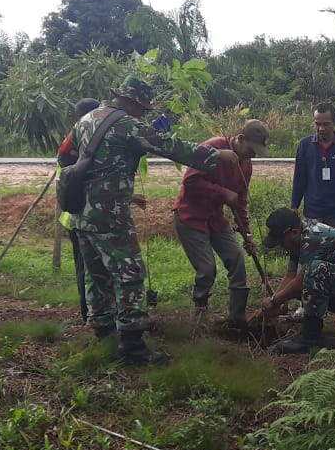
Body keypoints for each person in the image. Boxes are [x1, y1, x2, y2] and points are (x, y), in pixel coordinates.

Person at [70, 76, 237, 364]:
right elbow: (169, 146)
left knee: (96, 275)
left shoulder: (86, 119)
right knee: (130, 274)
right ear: (133, 101)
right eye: (143, 108)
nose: (142, 113)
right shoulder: (127, 125)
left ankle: (103, 335)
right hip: (110, 215)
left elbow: (67, 156)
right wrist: (216, 154)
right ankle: (133, 348)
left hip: (81, 213)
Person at [173, 120, 270, 328]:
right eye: (251, 150)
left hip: (215, 218)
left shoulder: (246, 165)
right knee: (207, 268)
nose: (252, 156)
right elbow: (190, 182)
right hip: (190, 215)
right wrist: (222, 192)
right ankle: (200, 312)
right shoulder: (214, 147)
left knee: (236, 258)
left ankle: (237, 318)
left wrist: (248, 235)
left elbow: (240, 201)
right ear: (240, 139)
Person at [258, 207, 335, 353]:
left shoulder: (312, 238)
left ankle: (311, 338)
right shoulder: (298, 238)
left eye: (281, 241)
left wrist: (274, 301)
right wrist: (271, 305)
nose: (280, 245)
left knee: (315, 272)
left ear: (293, 232)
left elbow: (299, 282)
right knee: (307, 283)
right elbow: (290, 276)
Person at [57, 97, 102, 322]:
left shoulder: (78, 135)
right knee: (87, 268)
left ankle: (93, 314)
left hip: (77, 213)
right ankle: (88, 315)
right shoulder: (80, 138)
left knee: (90, 267)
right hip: (78, 215)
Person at [290, 102, 335, 232]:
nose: (321, 128)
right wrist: (294, 206)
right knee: (313, 249)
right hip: (313, 212)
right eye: (317, 124)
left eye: (326, 124)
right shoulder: (305, 145)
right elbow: (299, 178)